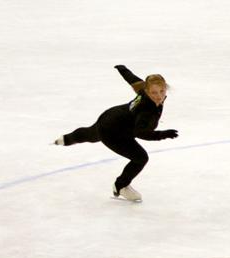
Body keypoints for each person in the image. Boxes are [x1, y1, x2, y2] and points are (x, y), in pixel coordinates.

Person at [54, 65, 179, 202]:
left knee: (91, 134)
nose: (159, 96)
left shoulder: (144, 90)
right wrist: (163, 134)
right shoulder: (146, 111)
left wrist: (123, 69)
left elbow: (132, 80)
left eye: (162, 91)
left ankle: (65, 139)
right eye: (154, 93)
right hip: (114, 131)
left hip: (112, 117)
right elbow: (141, 133)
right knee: (140, 158)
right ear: (147, 91)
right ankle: (120, 186)